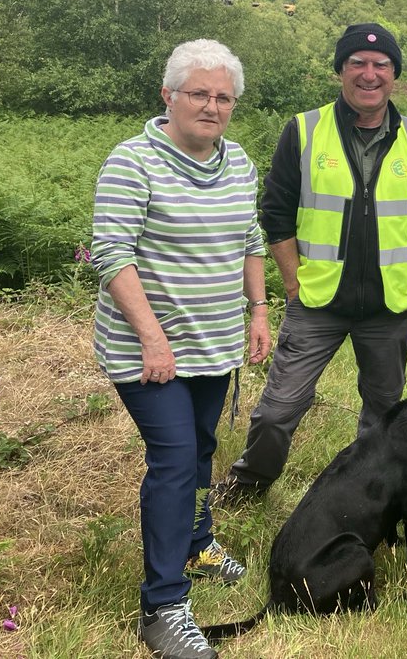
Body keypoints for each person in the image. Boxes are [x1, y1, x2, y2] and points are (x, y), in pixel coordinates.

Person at [90, 39, 271, 659]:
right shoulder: (131, 163)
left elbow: (251, 237)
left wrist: (259, 310)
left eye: (223, 97)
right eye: (199, 93)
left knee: (201, 447)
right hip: (149, 351)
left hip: (214, 344)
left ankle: (198, 542)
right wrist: (151, 337)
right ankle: (163, 604)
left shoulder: (239, 162)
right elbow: (112, 256)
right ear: (168, 95)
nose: (212, 106)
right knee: (173, 459)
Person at [216, 23, 407, 501]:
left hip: (389, 306)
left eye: (381, 64)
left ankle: (365, 495)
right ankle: (249, 483)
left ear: (394, 75)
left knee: (383, 415)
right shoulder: (304, 130)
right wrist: (294, 282)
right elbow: (276, 213)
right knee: (279, 408)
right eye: (357, 64)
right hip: (318, 299)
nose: (369, 74)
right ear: (340, 71)